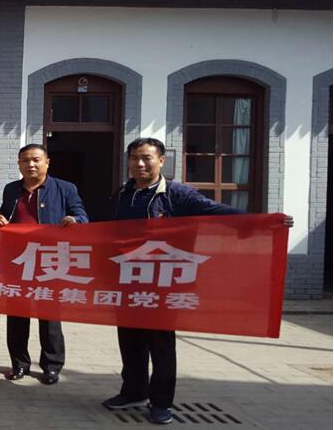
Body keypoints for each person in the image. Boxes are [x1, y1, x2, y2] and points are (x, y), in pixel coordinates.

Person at [99, 137, 294, 425]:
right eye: (134, 158)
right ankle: (133, 391)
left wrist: (262, 221)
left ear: (161, 161)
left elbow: (215, 211)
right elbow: (104, 230)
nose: (139, 164)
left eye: (146, 158)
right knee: (130, 341)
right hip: (128, 281)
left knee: (161, 345)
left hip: (164, 283)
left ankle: (161, 402)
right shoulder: (122, 194)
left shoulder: (177, 194)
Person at [0, 144, 88, 385]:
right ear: (19, 164)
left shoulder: (65, 188)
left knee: (49, 316)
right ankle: (19, 364)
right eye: (25, 160)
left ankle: (51, 366)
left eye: (35, 160)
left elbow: (82, 215)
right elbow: (6, 216)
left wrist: (75, 219)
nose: (30, 165)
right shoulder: (12, 189)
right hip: (18, 261)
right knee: (17, 316)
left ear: (47, 162)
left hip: (50, 262)